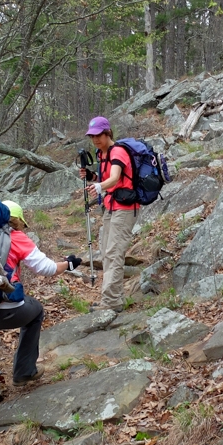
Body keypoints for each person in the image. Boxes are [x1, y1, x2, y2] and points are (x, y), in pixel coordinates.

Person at [0, 200, 82, 445]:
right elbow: (45, 268)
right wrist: (69, 264)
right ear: (17, 219)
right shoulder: (14, 236)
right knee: (36, 311)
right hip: (8, 309)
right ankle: (23, 371)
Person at [78, 116, 138, 313]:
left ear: (107, 133)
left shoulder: (118, 151)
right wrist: (92, 177)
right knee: (106, 252)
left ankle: (110, 302)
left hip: (124, 208)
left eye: (98, 135)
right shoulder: (101, 153)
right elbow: (105, 177)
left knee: (114, 252)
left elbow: (114, 178)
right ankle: (116, 297)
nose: (95, 139)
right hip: (110, 206)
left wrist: (98, 185)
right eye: (92, 136)